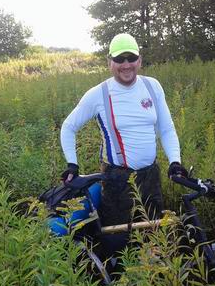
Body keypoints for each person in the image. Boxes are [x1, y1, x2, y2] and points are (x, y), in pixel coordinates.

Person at [60, 33, 188, 260]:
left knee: (154, 235)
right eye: (120, 59)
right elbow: (68, 127)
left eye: (131, 57)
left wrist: (175, 162)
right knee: (119, 243)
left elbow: (166, 128)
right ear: (110, 62)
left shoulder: (152, 86)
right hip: (117, 180)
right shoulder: (98, 94)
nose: (126, 65)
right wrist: (72, 165)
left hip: (151, 177)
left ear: (139, 59)